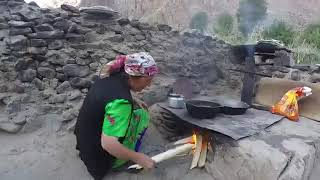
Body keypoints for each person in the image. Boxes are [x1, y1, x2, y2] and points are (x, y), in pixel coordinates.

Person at [74, 52, 159, 180]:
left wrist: (134, 99)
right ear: (138, 77)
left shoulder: (109, 77)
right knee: (142, 115)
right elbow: (108, 145)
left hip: (84, 142)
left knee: (135, 111)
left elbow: (109, 97)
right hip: (98, 161)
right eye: (148, 81)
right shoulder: (121, 104)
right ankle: (118, 163)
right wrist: (138, 158)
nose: (149, 85)